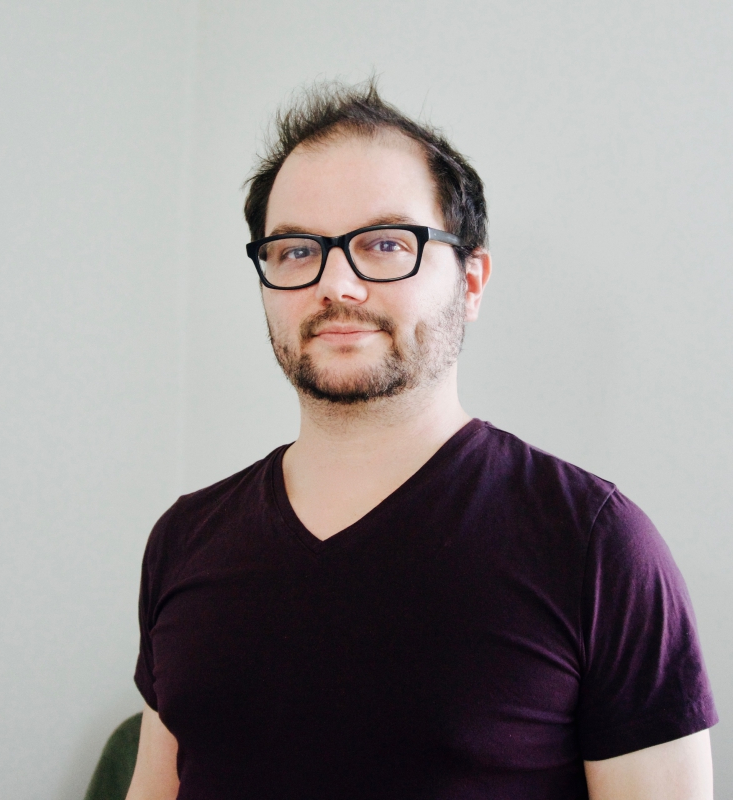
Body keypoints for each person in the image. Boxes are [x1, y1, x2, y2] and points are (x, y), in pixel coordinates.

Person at [125, 80, 717, 800]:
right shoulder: (185, 539)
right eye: (296, 250)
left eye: (384, 244)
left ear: (472, 281)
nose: (336, 285)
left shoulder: (595, 546)